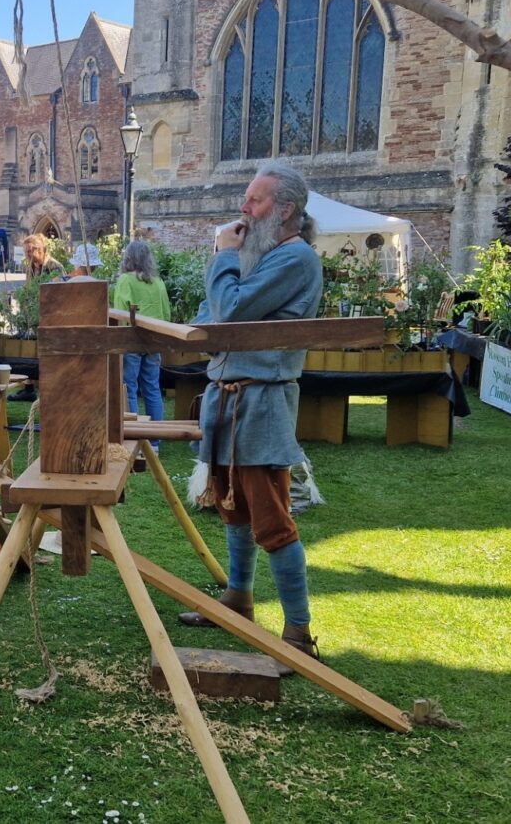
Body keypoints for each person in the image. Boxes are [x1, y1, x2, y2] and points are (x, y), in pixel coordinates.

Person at [178, 161, 324, 672]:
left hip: (260, 403)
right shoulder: (260, 257)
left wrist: (223, 256)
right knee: (232, 508)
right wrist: (225, 284)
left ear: (284, 210)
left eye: (255, 200)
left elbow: (230, 313)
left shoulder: (296, 258)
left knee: (271, 519)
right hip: (227, 399)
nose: (243, 208)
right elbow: (211, 317)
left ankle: (299, 634)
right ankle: (238, 599)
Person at [110, 241, 170, 424]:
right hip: (154, 341)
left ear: (127, 258)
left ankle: (134, 434)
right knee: (152, 388)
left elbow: (120, 313)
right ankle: (156, 437)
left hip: (132, 340)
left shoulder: (125, 280)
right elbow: (166, 313)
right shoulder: (158, 282)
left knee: (130, 389)